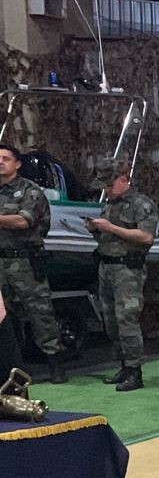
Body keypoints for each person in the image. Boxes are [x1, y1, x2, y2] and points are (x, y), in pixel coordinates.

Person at [86, 158, 158, 391]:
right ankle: (124, 365)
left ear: (123, 178)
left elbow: (146, 238)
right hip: (106, 268)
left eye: (110, 183)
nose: (106, 189)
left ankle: (135, 371)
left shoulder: (141, 204)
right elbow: (109, 237)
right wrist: (97, 230)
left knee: (127, 320)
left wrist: (110, 228)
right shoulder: (109, 205)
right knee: (111, 321)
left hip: (128, 270)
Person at [0, 143, 64, 383]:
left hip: (25, 261)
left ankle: (55, 365)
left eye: (6, 158)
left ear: (17, 164)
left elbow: (23, 222)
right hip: (0, 263)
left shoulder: (30, 191)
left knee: (40, 313)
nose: (0, 162)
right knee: (5, 318)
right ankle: (10, 369)